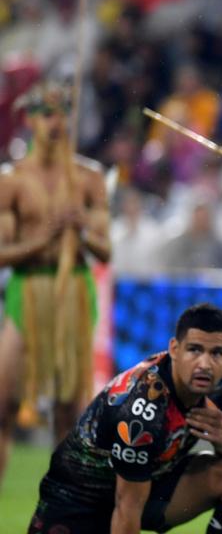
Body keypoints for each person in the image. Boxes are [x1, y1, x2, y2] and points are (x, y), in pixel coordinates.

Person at [27, 303, 222, 533]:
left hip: (148, 486)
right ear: (174, 349)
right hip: (79, 501)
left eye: (216, 353)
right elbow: (126, 509)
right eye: (194, 350)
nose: (205, 364)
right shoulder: (141, 412)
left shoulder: (218, 384)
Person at [0, 82, 111, 491]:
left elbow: (105, 251)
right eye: (46, 113)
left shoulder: (88, 178)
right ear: (29, 119)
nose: (55, 121)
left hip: (72, 294)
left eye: (62, 111)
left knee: (70, 413)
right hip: (27, 291)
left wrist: (80, 228)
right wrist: (45, 236)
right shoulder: (11, 180)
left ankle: (64, 512)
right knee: (3, 405)